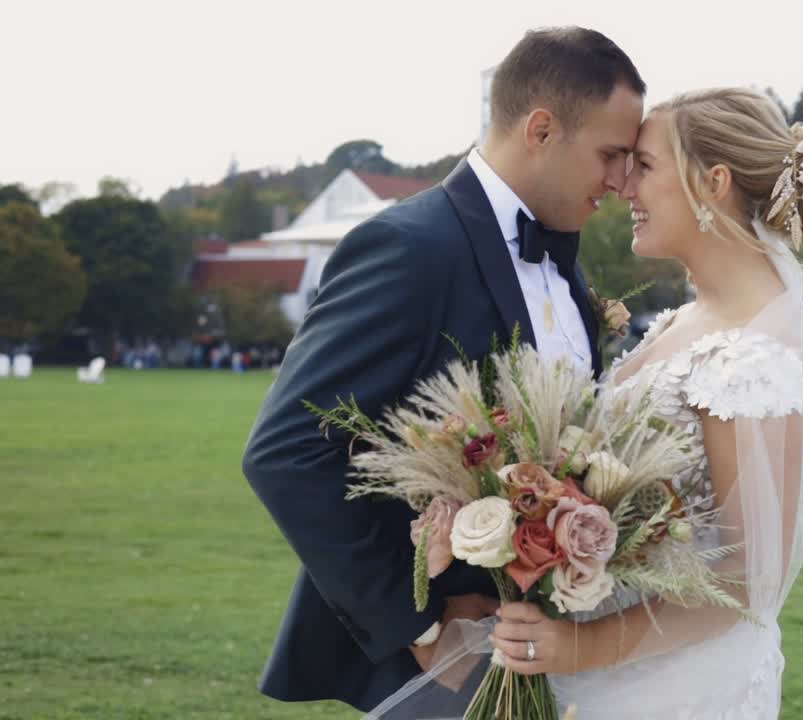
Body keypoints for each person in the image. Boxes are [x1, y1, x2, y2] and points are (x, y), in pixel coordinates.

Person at [377, 87, 803, 719]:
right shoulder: (683, 321)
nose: (623, 185)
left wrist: (581, 646)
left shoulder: (755, 359)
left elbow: (747, 581)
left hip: (674, 687)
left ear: (714, 181)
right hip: (597, 667)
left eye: (644, 165)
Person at [240, 27, 644, 714]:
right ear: (542, 130)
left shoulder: (566, 263)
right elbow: (285, 450)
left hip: (559, 648)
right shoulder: (407, 247)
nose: (621, 179)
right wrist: (421, 627)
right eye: (612, 154)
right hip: (444, 668)